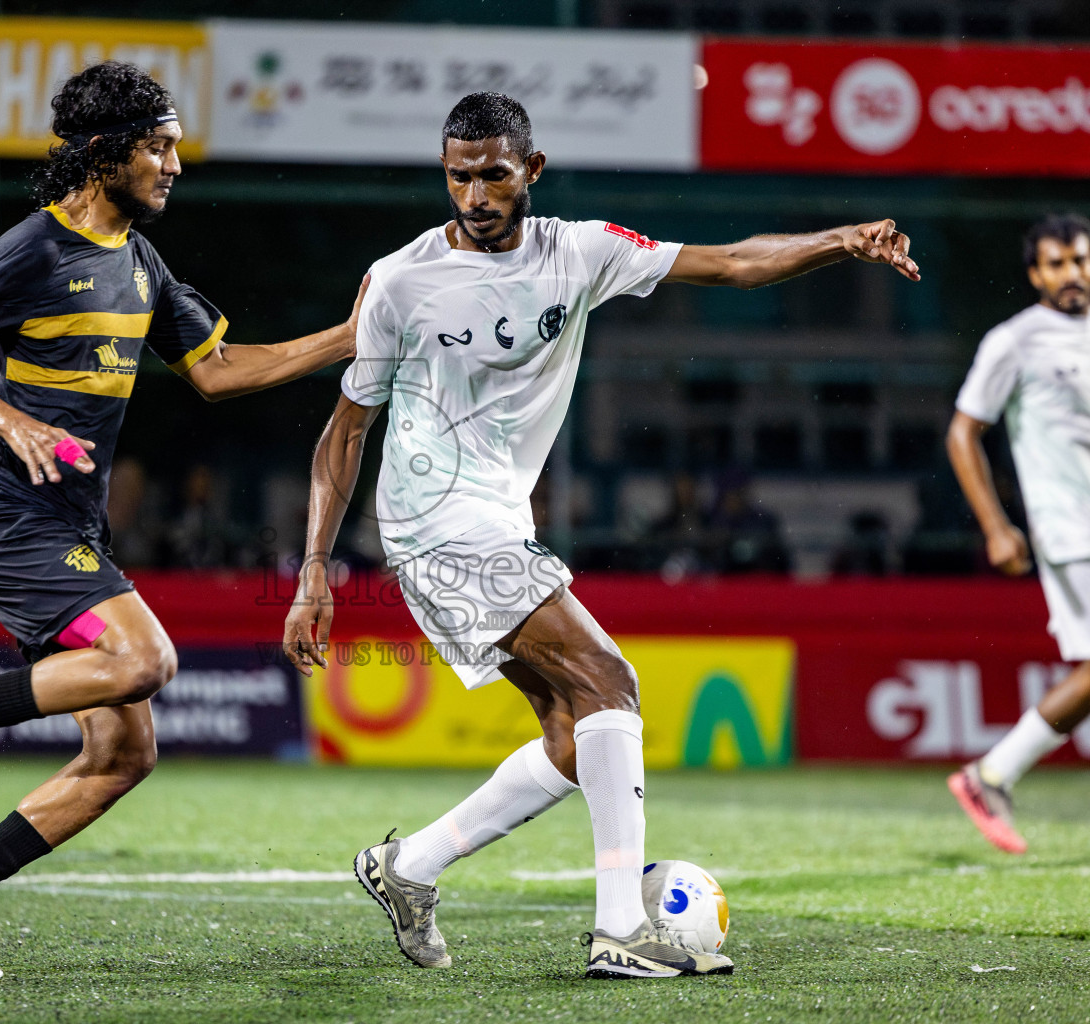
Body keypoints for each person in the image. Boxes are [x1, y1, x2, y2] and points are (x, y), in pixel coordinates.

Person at [281, 91, 919, 980]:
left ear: (530, 171)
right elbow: (343, 433)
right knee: (608, 680)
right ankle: (625, 929)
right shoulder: (399, 282)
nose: (475, 194)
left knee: (573, 736)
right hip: (435, 521)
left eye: (494, 174)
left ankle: (408, 867)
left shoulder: (581, 251)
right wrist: (315, 570)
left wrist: (839, 241)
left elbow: (732, 264)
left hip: (498, 519)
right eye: (459, 176)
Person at [0, 61, 365, 980]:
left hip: (66, 524)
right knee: (148, 660)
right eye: (159, 146)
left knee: (126, 753)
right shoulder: (35, 251)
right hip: (6, 513)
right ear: (106, 154)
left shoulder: (138, 259)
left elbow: (217, 370)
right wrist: (13, 421)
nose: (175, 164)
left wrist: (349, 337)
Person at [946, 213, 1090, 859]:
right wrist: (996, 525)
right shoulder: (1014, 342)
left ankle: (989, 776)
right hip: (1071, 530)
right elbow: (964, 432)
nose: (1070, 274)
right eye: (1055, 263)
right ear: (1035, 273)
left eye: (1080, 260)